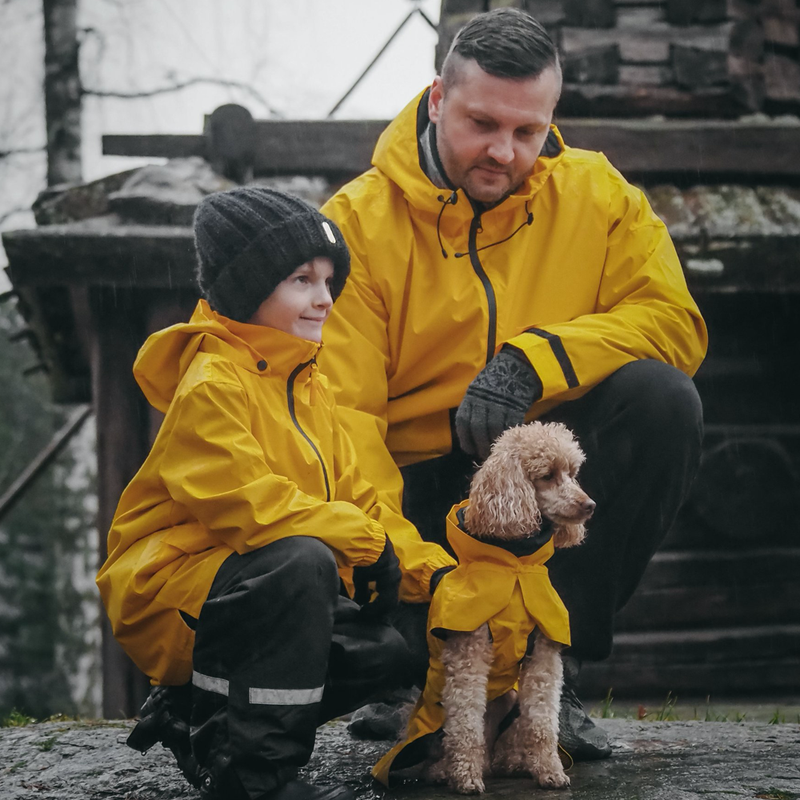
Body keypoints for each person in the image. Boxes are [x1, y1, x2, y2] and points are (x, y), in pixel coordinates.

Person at [318, 8, 708, 761]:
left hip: (544, 479)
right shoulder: (355, 226)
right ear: (437, 100)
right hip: (420, 498)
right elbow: (343, 422)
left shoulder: (600, 195)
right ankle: (416, 677)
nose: (504, 152)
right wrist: (409, 571)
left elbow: (675, 323)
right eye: (481, 123)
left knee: (663, 402)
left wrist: (533, 361)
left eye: (528, 132)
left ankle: (552, 680)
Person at [96, 188, 439, 800]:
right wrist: (362, 542)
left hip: (257, 589)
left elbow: (365, 503)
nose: (324, 298)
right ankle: (253, 777)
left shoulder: (309, 386)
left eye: (329, 280)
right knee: (303, 558)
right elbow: (249, 505)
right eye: (302, 279)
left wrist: (434, 577)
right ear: (249, 289)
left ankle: (195, 711)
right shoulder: (212, 383)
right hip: (172, 588)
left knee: (389, 654)